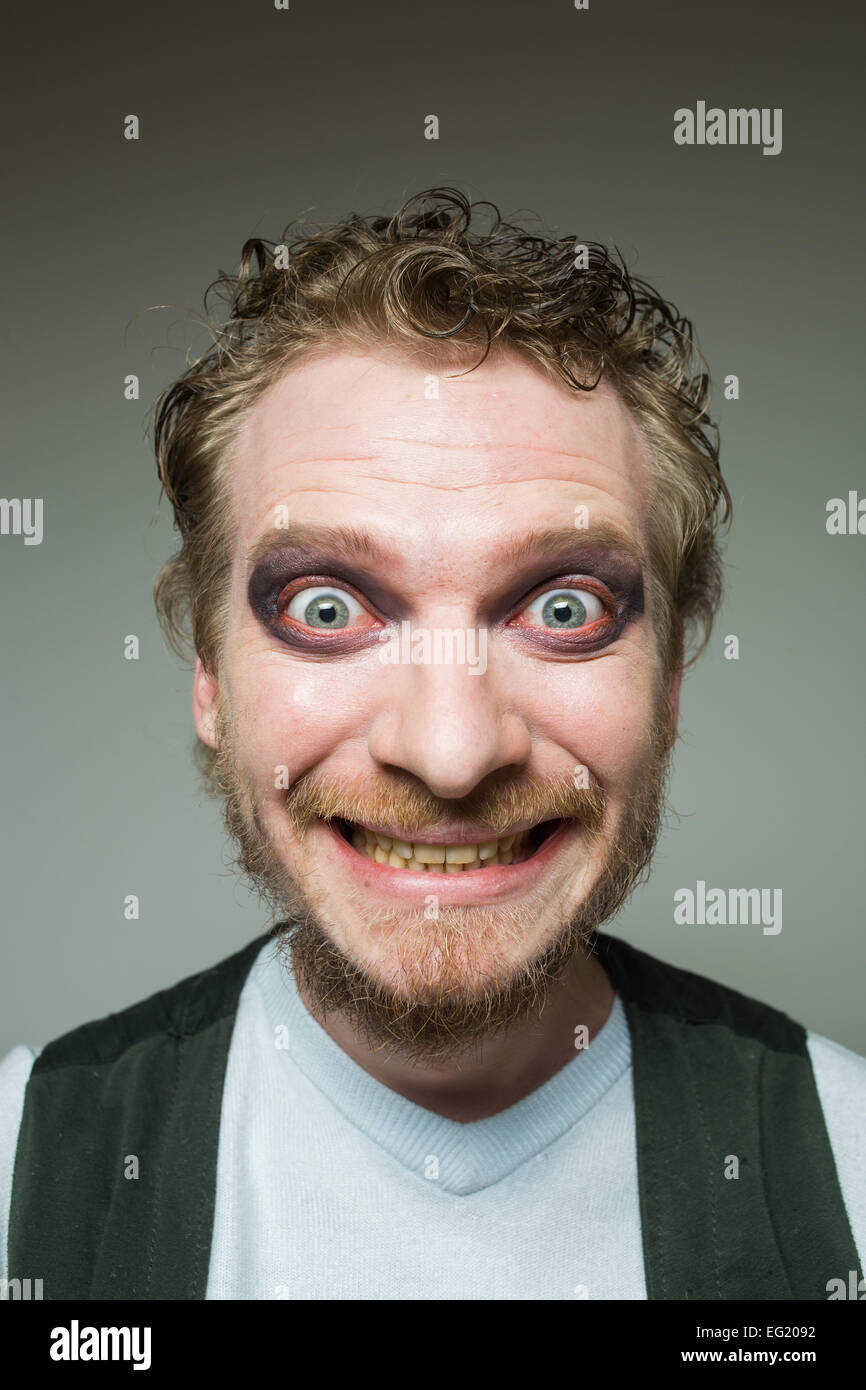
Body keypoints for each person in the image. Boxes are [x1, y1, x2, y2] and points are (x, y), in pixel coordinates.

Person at [2, 188, 863, 1300]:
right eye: (325, 608)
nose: (452, 754)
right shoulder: (28, 1168)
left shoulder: (842, 1164)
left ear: (670, 685)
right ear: (209, 678)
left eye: (562, 610)